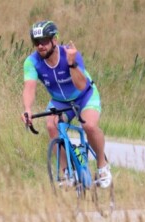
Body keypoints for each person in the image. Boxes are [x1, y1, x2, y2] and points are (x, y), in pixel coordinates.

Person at [20, 20, 112, 188]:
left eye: (44, 41)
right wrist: (27, 109)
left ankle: (102, 166)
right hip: (60, 101)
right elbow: (29, 87)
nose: (40, 46)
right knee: (51, 126)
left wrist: (71, 63)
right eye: (36, 43)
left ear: (54, 40)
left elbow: (81, 85)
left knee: (89, 126)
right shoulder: (31, 62)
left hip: (85, 96)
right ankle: (66, 173)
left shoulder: (71, 54)